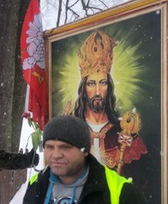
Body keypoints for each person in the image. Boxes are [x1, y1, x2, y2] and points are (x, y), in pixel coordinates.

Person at [64, 29, 147, 173]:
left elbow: (143, 178)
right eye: (91, 84)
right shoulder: (70, 128)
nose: (97, 92)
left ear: (109, 87)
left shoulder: (125, 130)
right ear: (84, 89)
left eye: (102, 83)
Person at [23, 115, 147, 204]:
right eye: (49, 147)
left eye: (65, 147)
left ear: (85, 151)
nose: (56, 155)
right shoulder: (37, 183)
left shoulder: (121, 191)